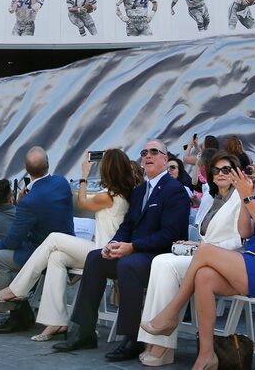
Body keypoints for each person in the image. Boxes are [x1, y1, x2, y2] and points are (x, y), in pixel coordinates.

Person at [140, 153, 255, 370]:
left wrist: (249, 199)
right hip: (252, 266)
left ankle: (171, 313)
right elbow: (245, 231)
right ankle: (206, 355)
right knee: (204, 277)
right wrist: (244, 199)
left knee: (204, 251)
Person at [53, 140, 189, 362]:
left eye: (154, 152)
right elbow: (127, 225)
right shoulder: (140, 191)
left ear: (165, 159)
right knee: (95, 257)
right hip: (135, 253)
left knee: (128, 265)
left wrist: (133, 247)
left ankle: (133, 338)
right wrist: (113, 244)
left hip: (158, 256)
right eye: (144, 152)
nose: (148, 155)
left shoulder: (175, 191)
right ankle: (85, 332)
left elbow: (171, 234)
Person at [0, 150, 137, 341]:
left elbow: (83, 202)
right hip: (101, 248)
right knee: (55, 257)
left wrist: (84, 175)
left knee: (54, 239)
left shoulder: (108, 196)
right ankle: (56, 322)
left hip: (104, 253)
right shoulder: (120, 192)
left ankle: (17, 290)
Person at [138, 152, 244, 366]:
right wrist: (198, 246)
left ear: (235, 174)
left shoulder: (240, 198)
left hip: (226, 260)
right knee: (160, 261)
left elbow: (240, 240)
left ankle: (163, 343)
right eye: (216, 170)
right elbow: (205, 235)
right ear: (211, 175)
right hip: (203, 255)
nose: (221, 173)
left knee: (167, 265)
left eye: (227, 169)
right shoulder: (211, 199)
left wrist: (206, 248)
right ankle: (155, 340)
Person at [0, 147, 75, 334]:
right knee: (0, 258)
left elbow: (13, 241)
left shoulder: (29, 201)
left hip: (40, 253)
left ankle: (16, 315)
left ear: (26, 169)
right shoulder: (62, 182)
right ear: (48, 164)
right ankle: (21, 307)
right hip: (68, 248)